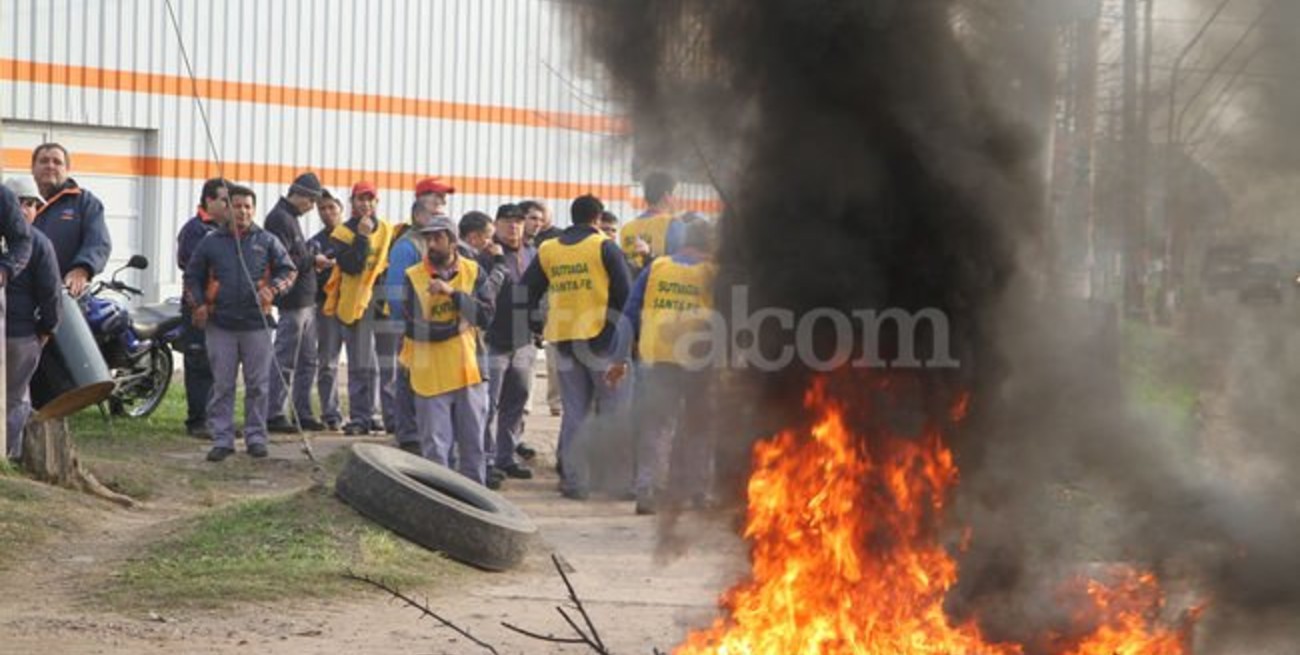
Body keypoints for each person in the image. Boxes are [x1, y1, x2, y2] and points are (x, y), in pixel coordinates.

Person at [521, 194, 632, 500]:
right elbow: (627, 296)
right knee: (614, 411)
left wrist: (535, 324)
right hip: (603, 341)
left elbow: (525, 291)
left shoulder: (549, 249)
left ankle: (574, 481)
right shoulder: (605, 247)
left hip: (564, 341)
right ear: (597, 219)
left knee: (574, 413)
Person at [610, 219, 718, 515]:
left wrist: (618, 359)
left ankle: (647, 490)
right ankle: (698, 492)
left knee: (657, 426)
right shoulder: (713, 273)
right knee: (699, 426)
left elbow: (629, 314)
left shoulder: (656, 267)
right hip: (699, 361)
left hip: (656, 358)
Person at [184, 185, 296, 462]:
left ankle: (256, 437)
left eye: (248, 206)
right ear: (228, 209)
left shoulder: (267, 240)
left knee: (258, 385)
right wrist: (198, 304)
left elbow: (289, 270)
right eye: (237, 206)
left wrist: (273, 289)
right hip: (220, 324)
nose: (243, 211)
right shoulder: (211, 241)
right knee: (222, 385)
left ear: (253, 210)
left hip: (257, 324)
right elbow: (191, 276)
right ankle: (222, 439)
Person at [401, 216, 495, 484]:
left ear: (453, 242)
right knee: (435, 450)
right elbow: (412, 328)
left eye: (438, 238)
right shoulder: (413, 276)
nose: (431, 244)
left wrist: (452, 293)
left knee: (473, 446)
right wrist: (454, 329)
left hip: (469, 372)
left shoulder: (474, 271)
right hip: (429, 375)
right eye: (427, 238)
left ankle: (474, 501)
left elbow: (485, 316)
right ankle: (440, 501)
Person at [384, 177, 450, 453]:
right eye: (436, 203)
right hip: (412, 326)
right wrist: (406, 326)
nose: (442, 207)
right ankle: (409, 434)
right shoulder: (408, 246)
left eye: (443, 203)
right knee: (408, 378)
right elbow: (395, 291)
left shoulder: (437, 244)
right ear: (419, 212)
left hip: (436, 326)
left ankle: (424, 431)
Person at [323, 181, 394, 436]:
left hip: (382, 304)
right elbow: (352, 265)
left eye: (369, 199)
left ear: (376, 202)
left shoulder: (386, 230)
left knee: (387, 366)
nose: (365, 204)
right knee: (362, 366)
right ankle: (360, 417)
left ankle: (386, 417)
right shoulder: (342, 233)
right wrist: (362, 237)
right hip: (355, 305)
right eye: (360, 199)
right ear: (352, 202)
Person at [264, 172, 327, 433]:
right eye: (310, 201)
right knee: (286, 359)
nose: (312, 207)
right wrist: (313, 260)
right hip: (293, 301)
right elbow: (284, 261)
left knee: (308, 361)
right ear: (298, 194)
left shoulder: (290, 218)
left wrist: (310, 255)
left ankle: (302, 412)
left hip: (306, 299)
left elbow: (296, 254)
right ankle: (274, 412)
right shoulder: (280, 219)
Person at [482, 203, 538, 487]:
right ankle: (486, 460)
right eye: (507, 221)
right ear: (496, 223)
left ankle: (506, 456)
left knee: (517, 400)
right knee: (488, 403)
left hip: (524, 338)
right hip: (494, 339)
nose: (513, 226)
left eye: (518, 221)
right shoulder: (488, 254)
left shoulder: (532, 253)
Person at [3, 178, 55, 460]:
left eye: (33, 204)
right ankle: (8, 456)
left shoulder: (37, 243)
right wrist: (47, 328)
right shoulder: (38, 243)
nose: (27, 210)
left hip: (19, 334)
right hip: (20, 337)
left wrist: (45, 328)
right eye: (23, 203)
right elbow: (51, 296)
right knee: (15, 399)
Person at [176, 178, 231, 438]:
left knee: (220, 366)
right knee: (199, 363)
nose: (229, 206)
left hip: (222, 308)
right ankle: (198, 421)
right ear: (209, 200)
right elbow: (192, 268)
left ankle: (217, 420)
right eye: (224, 200)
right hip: (198, 305)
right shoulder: (195, 230)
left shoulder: (227, 230)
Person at [30, 143, 111, 297]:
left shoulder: (85, 202)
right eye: (44, 161)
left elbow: (98, 243)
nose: (50, 165)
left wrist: (82, 269)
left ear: (67, 169)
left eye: (57, 162)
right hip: (21, 295)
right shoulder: (16, 200)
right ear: (32, 168)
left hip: (67, 295)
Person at [520, 199, 564, 418]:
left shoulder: (556, 240)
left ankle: (556, 402)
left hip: (547, 303)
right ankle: (524, 403)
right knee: (525, 357)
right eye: (533, 218)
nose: (538, 222)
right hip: (523, 307)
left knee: (552, 356)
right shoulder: (518, 246)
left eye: (541, 218)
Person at [307, 189, 345, 431]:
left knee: (365, 362)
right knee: (328, 362)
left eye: (331, 207)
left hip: (355, 304)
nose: (327, 212)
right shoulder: (315, 243)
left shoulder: (353, 237)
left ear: (341, 209)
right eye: (322, 208)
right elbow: (310, 276)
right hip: (326, 307)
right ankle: (331, 413)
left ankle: (367, 414)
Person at [620, 171, 685, 278]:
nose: (678, 199)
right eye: (675, 194)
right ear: (667, 196)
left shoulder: (627, 228)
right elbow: (680, 267)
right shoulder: (673, 225)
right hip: (659, 285)